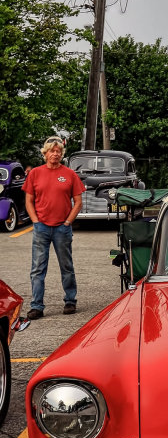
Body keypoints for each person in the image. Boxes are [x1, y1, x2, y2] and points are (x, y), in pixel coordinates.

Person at [22, 136, 85, 320]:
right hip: (41, 228)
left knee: (66, 266)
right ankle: (36, 306)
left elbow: (78, 202)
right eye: (52, 151)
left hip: (62, 229)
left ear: (61, 154)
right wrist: (35, 221)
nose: (55, 154)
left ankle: (70, 301)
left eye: (58, 151)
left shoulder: (69, 174)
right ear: (45, 153)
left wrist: (68, 222)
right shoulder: (35, 173)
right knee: (37, 269)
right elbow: (29, 201)